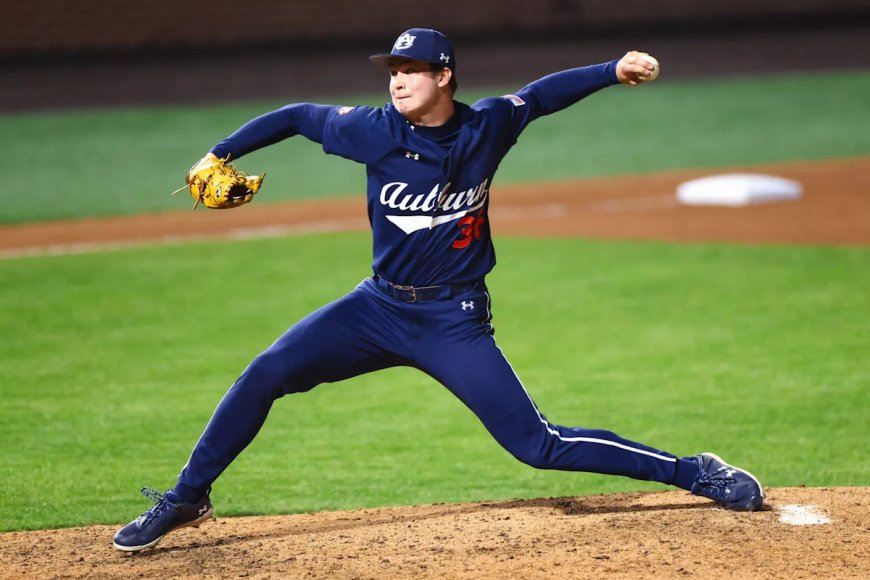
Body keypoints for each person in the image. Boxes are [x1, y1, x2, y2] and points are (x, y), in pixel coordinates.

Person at [113, 28, 763, 552]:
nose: (396, 80)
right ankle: (188, 496)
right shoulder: (372, 131)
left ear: (444, 76)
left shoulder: (487, 127)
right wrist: (220, 152)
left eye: (411, 69)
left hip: (453, 319)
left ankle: (695, 470)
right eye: (392, 70)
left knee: (538, 446)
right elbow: (297, 117)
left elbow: (538, 96)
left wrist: (611, 70)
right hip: (376, 307)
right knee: (264, 373)